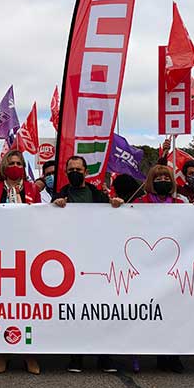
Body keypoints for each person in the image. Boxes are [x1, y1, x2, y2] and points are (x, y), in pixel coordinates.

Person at [53, 156, 122, 373]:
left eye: (78, 169)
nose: (75, 172)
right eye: (71, 169)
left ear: (86, 171)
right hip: (70, 260)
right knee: (76, 310)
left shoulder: (97, 194)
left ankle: (105, 356)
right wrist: (54, 206)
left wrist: (115, 205)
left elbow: (113, 215)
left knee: (102, 308)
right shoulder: (60, 194)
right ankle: (76, 357)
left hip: (97, 258)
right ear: (66, 171)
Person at [0, 150, 41, 375]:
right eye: (12, 163)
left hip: (27, 252)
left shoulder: (32, 189)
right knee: (3, 306)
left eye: (19, 163)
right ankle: (2, 355)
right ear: (4, 166)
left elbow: (42, 217)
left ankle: (30, 355)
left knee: (28, 306)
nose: (15, 166)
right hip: (0, 252)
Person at [132, 165, 185, 372]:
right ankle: (137, 354)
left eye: (166, 177)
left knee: (172, 313)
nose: (162, 180)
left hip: (172, 266)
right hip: (144, 265)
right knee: (143, 311)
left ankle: (171, 356)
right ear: (150, 181)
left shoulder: (181, 204)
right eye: (158, 177)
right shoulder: (139, 203)